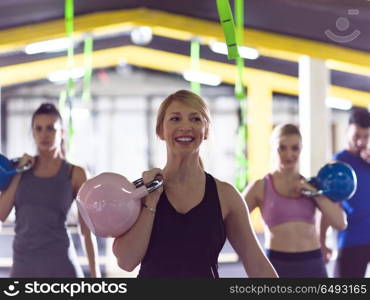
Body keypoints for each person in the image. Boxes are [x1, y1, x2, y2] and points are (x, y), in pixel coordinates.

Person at [112, 90, 277, 278]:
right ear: (160, 131)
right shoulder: (141, 192)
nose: (185, 127)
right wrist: (152, 201)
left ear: (206, 131)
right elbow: (126, 262)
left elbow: (256, 263)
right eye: (175, 119)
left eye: (195, 119)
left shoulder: (225, 195)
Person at [0, 103, 100, 277]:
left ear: (61, 133)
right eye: (38, 129)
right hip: (23, 269)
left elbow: (86, 230)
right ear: (33, 133)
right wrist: (19, 171)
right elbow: (2, 214)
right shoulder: (17, 168)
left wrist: (96, 275)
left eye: (50, 129)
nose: (44, 134)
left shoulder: (75, 173)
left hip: (62, 267)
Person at [243, 123, 347, 278]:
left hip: (312, 264)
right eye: (282, 148)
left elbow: (341, 223)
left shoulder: (313, 185)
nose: (289, 154)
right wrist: (250, 253)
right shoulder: (261, 186)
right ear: (273, 148)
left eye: (294, 148)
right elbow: (231, 217)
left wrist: (313, 192)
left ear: (301, 149)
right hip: (276, 264)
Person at [320, 108, 370, 277]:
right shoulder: (338, 163)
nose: (360, 142)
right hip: (351, 240)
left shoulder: (368, 159)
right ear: (347, 130)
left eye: (366, 137)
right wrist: (321, 241)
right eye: (356, 136)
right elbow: (328, 204)